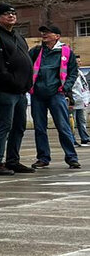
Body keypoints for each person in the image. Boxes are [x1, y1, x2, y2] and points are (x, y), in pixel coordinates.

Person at [0, 4, 36, 174]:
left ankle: (13, 160)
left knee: (19, 126)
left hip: (20, 90)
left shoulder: (17, 36)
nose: (11, 16)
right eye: (7, 13)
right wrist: (9, 79)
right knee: (3, 125)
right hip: (4, 89)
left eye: (13, 13)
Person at [29, 23, 82, 169]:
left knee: (63, 127)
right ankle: (43, 158)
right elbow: (27, 67)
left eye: (48, 32)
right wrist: (29, 86)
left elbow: (73, 72)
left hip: (56, 95)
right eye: (43, 32)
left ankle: (71, 157)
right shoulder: (36, 51)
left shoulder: (66, 52)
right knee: (39, 128)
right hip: (37, 95)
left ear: (57, 36)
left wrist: (65, 87)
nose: (44, 34)